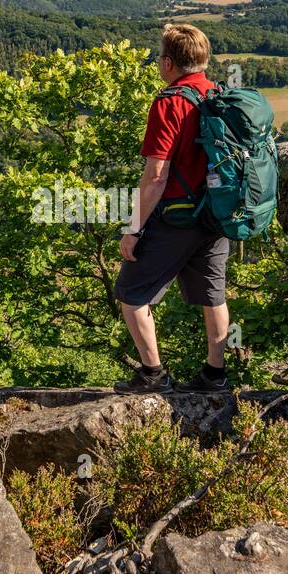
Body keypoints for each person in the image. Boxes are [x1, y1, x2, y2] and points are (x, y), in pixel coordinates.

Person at [113, 23, 230, 394]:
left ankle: (153, 374)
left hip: (177, 217)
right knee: (214, 296)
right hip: (216, 215)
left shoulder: (169, 103)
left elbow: (156, 177)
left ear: (167, 63)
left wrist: (133, 229)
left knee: (131, 294)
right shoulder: (220, 95)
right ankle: (215, 375)